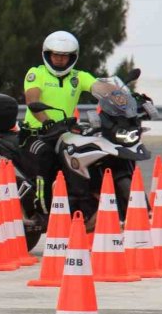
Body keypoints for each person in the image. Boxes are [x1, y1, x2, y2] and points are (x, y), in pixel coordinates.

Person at [22, 30, 114, 200]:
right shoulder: (36, 73)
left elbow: (100, 87)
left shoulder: (78, 77)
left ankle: (89, 198)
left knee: (94, 152)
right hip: (37, 133)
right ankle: (40, 210)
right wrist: (47, 122)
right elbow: (32, 99)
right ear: (47, 54)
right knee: (45, 158)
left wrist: (124, 95)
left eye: (65, 56)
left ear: (72, 57)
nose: (59, 59)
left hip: (65, 134)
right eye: (55, 55)